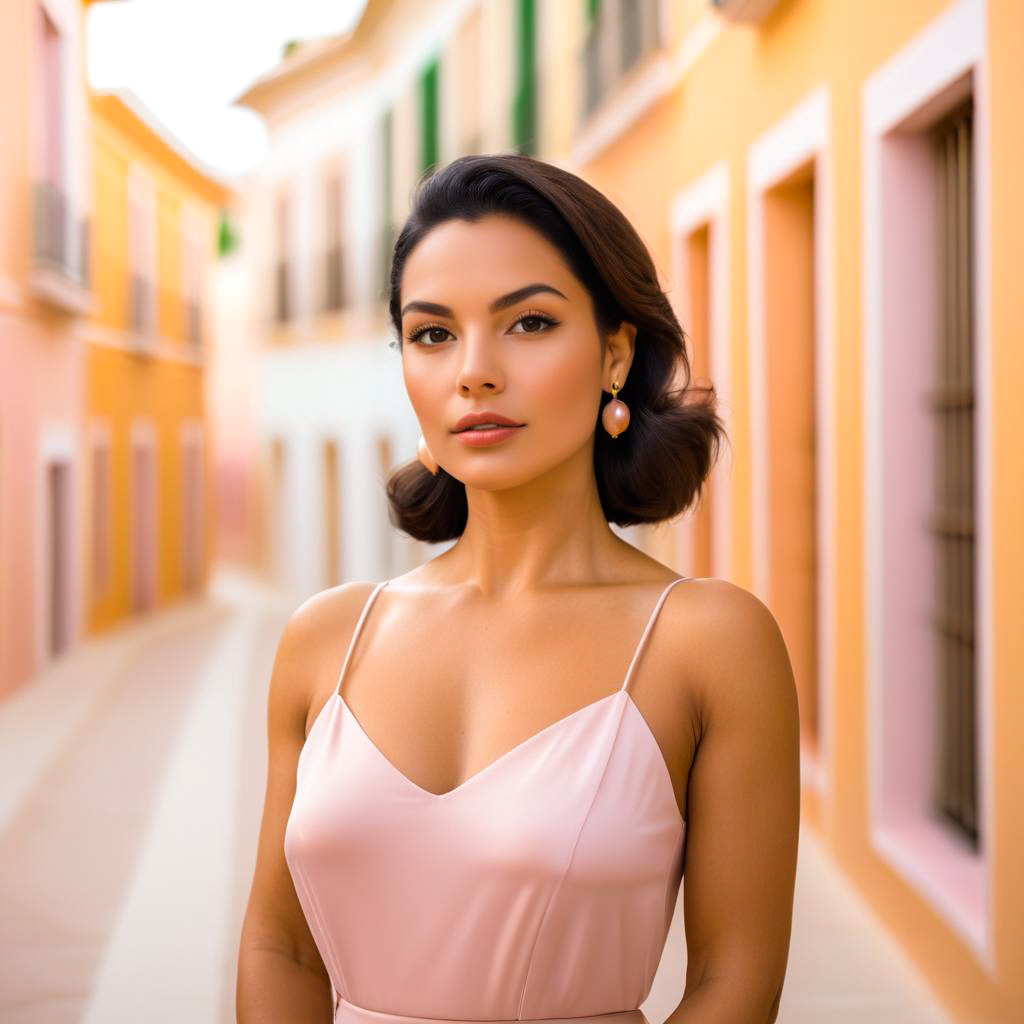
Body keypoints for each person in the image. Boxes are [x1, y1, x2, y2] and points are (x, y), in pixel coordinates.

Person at [236, 154, 800, 1024]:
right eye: (432, 334)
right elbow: (282, 946)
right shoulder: (326, 640)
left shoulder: (710, 641)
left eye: (528, 323)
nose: (475, 371)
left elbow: (736, 983)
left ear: (616, 351)